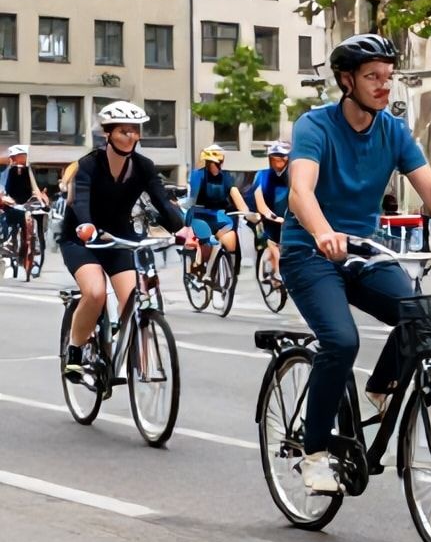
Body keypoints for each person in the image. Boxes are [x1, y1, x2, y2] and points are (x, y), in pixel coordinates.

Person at [284, 34, 431, 494]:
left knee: (421, 317)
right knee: (340, 340)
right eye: (372, 77)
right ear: (346, 80)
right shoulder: (315, 127)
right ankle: (314, 453)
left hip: (365, 250)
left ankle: (381, 385)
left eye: (388, 78)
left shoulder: (392, 131)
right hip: (309, 251)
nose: (383, 87)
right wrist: (321, 231)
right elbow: (301, 190)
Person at [60, 103, 195, 381]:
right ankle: (75, 351)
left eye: (135, 131)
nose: (132, 137)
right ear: (108, 134)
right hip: (82, 239)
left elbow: (162, 202)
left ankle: (132, 358)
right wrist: (86, 224)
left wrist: (182, 229)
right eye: (124, 131)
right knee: (96, 293)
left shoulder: (143, 167)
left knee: (133, 298)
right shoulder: (89, 165)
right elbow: (81, 199)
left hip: (120, 238)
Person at [184, 146, 248, 278]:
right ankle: (199, 268)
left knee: (231, 243)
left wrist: (246, 212)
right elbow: (192, 198)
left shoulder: (226, 176)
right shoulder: (198, 175)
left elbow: (235, 195)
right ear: (207, 162)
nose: (217, 166)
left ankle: (228, 276)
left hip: (220, 216)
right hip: (200, 215)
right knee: (206, 244)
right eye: (213, 163)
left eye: (219, 163)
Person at [250, 142, 292, 284]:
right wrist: (273, 217)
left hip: (290, 218)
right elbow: (260, 204)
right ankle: (278, 272)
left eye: (283, 157)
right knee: (271, 241)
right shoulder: (262, 175)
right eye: (275, 157)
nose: (279, 160)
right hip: (266, 218)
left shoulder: (293, 175)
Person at [1, 145, 48, 246]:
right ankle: (10, 240)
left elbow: (34, 186)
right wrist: (4, 196)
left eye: (24, 155)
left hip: (23, 203)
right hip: (9, 203)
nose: (25, 158)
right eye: (22, 155)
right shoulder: (8, 170)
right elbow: (5, 187)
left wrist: (41, 200)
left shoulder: (26, 169)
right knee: (10, 219)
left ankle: (29, 242)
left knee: (28, 219)